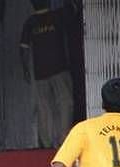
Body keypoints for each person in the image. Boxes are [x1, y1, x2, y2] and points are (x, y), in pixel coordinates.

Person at [20, 0, 74, 148]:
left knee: (44, 108)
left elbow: (23, 49)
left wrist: (25, 69)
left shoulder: (30, 22)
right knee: (65, 104)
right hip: (60, 69)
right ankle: (64, 140)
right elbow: (73, 8)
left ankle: (47, 142)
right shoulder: (58, 16)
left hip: (40, 73)